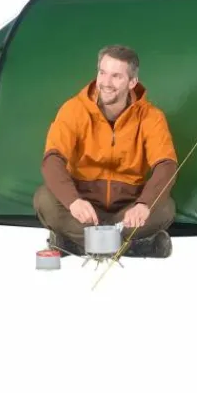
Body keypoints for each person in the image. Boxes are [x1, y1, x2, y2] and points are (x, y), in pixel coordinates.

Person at [34, 44, 178, 258]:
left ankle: (76, 245)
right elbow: (52, 160)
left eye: (116, 76)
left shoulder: (151, 116)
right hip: (84, 211)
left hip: (126, 211)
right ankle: (134, 247)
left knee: (165, 208)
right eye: (102, 73)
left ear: (132, 82)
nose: (106, 83)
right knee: (44, 199)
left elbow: (166, 165)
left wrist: (143, 204)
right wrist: (73, 201)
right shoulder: (74, 109)